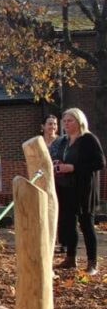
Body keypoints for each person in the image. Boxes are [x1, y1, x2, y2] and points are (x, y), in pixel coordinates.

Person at [53, 108, 105, 275]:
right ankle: (70, 258)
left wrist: (74, 167)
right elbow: (61, 158)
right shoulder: (64, 141)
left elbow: (99, 163)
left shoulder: (88, 139)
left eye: (70, 121)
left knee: (86, 225)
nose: (66, 124)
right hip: (65, 187)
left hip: (83, 189)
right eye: (65, 121)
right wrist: (59, 164)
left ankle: (92, 262)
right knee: (68, 224)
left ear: (79, 121)